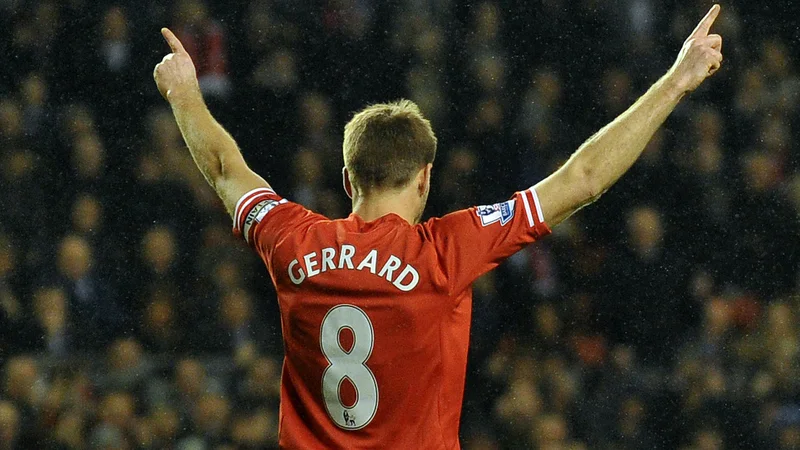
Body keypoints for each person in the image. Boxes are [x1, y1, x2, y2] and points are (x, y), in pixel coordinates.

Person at [153, 5, 723, 448]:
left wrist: (183, 92)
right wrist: (676, 81)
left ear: (348, 181)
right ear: (425, 177)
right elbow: (585, 178)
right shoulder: (446, 250)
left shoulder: (294, 241)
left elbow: (227, 169)